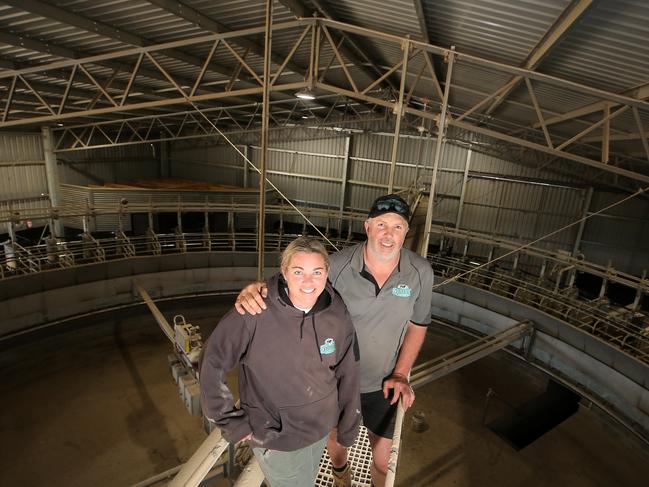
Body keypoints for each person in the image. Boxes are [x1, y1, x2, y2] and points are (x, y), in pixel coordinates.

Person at [235, 194, 434, 487]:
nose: (388, 234)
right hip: (334, 379)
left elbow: (418, 324)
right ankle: (342, 474)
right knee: (337, 441)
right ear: (367, 227)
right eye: (381, 225)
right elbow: (300, 285)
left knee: (383, 460)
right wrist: (258, 288)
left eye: (397, 226)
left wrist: (402, 373)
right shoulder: (338, 267)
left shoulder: (420, 273)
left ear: (406, 232)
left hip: (384, 382)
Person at [200, 236, 361, 487]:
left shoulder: (336, 310)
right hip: (278, 437)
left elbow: (348, 369)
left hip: (320, 429)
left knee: (307, 478)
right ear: (284, 272)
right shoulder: (254, 312)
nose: (308, 281)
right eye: (298, 271)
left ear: (327, 272)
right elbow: (211, 361)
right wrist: (233, 424)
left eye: (317, 271)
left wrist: (348, 424)